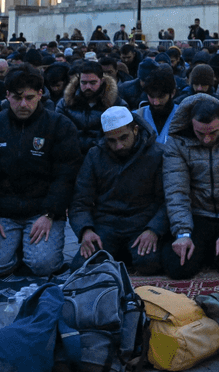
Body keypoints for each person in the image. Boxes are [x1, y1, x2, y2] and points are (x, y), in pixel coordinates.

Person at [0, 65, 81, 279]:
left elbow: (66, 175)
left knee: (43, 265)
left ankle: (24, 247)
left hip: (42, 211)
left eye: (29, 97)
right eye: (17, 98)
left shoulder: (58, 125)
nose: (23, 104)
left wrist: (50, 214)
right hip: (2, 213)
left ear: (40, 94)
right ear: (7, 95)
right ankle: (14, 248)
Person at [161, 94, 219, 279]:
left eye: (213, 132)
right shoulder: (176, 140)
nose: (206, 139)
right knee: (178, 267)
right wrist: (182, 233)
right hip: (198, 214)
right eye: (200, 133)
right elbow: (176, 190)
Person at [69, 106, 167, 274]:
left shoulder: (157, 154)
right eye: (112, 141)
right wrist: (86, 230)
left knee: (149, 264)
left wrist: (153, 230)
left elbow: (167, 200)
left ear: (135, 130)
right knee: (82, 268)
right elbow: (80, 200)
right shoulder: (95, 155)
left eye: (123, 138)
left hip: (142, 223)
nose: (119, 146)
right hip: (106, 224)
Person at [56, 61, 119, 155]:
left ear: (101, 81)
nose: (88, 87)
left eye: (93, 83)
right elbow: (58, 130)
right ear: (79, 81)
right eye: (84, 83)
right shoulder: (65, 103)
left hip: (103, 153)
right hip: (71, 152)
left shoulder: (115, 104)